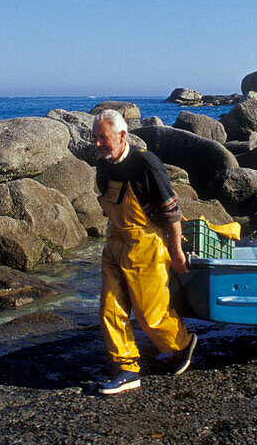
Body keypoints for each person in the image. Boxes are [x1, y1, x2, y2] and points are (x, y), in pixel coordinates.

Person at [91, 109, 198, 394]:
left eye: (104, 137)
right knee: (109, 310)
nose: (98, 143)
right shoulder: (102, 166)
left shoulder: (147, 164)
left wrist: (176, 254)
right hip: (115, 242)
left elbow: (173, 213)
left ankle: (183, 342)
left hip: (147, 245)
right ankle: (126, 368)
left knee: (150, 315)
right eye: (95, 138)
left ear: (122, 135)